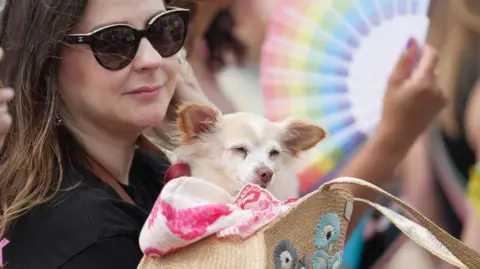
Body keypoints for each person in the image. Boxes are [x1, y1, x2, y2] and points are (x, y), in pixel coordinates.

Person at [0, 1, 446, 269]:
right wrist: (393, 140)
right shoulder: (86, 236)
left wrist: (209, 121)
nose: (153, 58)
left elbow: (274, 243)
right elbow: (286, 257)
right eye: (114, 42)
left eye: (164, 30)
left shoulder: (147, 173)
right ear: (46, 60)